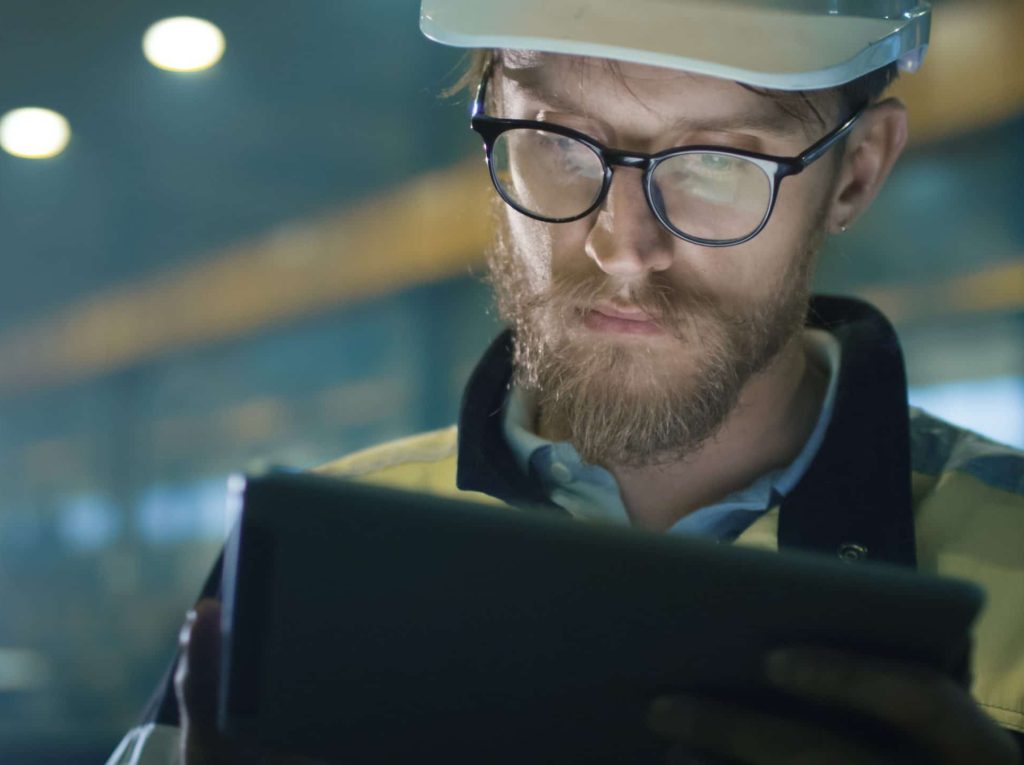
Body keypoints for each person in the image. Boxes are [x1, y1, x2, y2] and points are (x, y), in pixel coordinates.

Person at [107, 1, 1024, 762]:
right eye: (560, 144)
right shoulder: (303, 558)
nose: (622, 245)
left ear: (855, 175)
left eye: (718, 161)